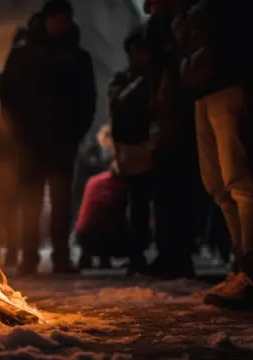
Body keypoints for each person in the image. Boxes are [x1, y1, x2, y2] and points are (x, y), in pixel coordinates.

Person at [0, 0, 96, 274]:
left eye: (63, 19)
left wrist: (75, 134)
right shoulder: (22, 55)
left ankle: (61, 257)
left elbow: (87, 101)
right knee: (29, 202)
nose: (58, 24)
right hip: (29, 143)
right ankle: (29, 257)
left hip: (62, 143)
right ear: (45, 20)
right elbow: (8, 98)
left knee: (61, 202)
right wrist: (17, 133)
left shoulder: (77, 57)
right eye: (54, 18)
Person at [171, 0, 253, 307]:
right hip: (200, 91)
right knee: (217, 184)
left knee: (239, 179)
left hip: (227, 83)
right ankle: (239, 265)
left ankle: (250, 270)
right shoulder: (183, 11)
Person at [143, 0, 201, 278]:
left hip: (175, 119)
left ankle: (175, 254)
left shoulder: (174, 25)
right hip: (168, 119)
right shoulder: (168, 25)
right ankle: (172, 253)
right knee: (169, 192)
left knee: (174, 192)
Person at [108, 28, 154, 275]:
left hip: (153, 143)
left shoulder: (157, 77)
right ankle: (136, 254)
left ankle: (163, 253)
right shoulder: (125, 79)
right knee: (137, 204)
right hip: (132, 147)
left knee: (155, 202)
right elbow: (117, 110)